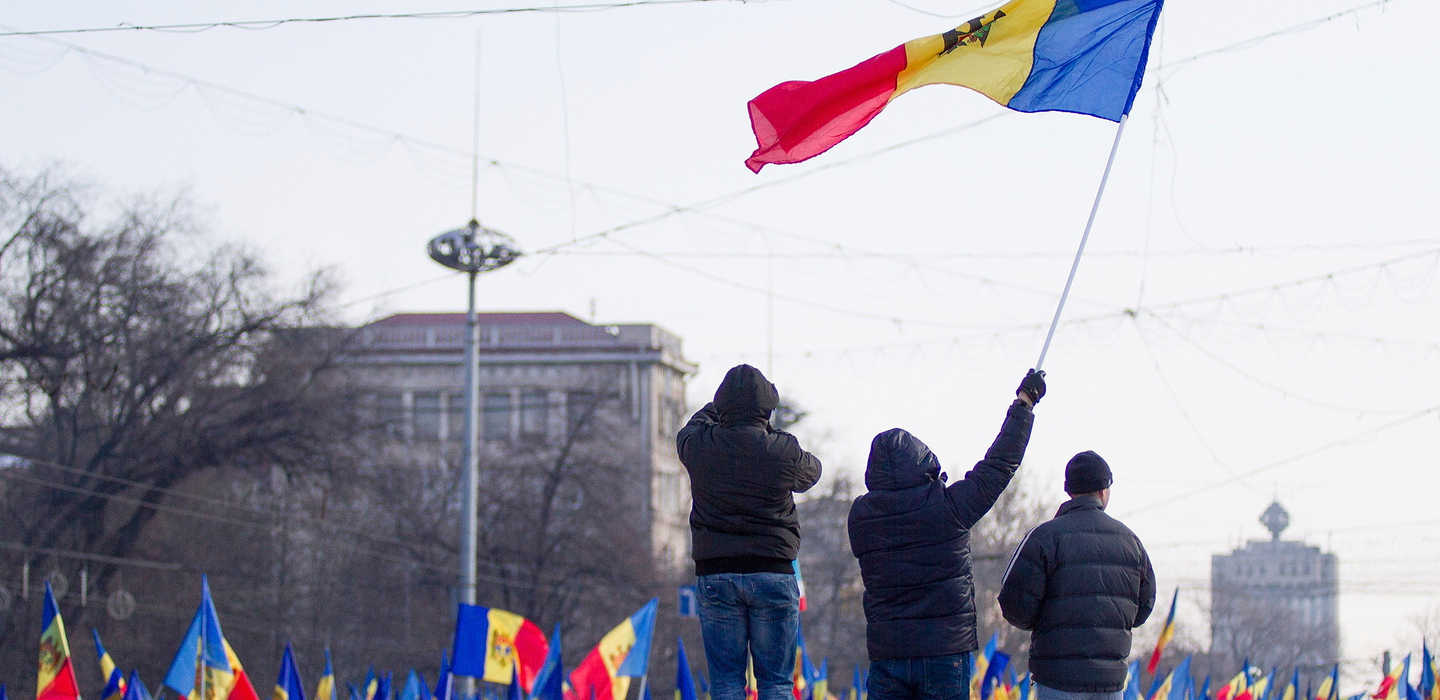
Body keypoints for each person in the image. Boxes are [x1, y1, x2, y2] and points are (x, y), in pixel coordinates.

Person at [848, 369, 1047, 700]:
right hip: (945, 652)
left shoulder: (861, 517)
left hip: (888, 652)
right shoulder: (947, 507)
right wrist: (1024, 404)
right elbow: (998, 466)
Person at [677, 364, 823, 700]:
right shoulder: (782, 451)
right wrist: (767, 428)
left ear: (722, 405)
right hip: (773, 572)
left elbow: (690, 428)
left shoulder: (699, 446)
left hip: (717, 574)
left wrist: (722, 409)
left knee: (726, 683)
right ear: (766, 409)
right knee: (776, 684)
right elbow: (812, 471)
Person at [997, 451, 1157, 700]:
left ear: (1069, 490)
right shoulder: (1131, 543)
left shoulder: (1044, 538)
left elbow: (1014, 604)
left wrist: (1043, 624)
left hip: (1056, 680)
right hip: (1110, 685)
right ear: (1104, 491)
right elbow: (1144, 607)